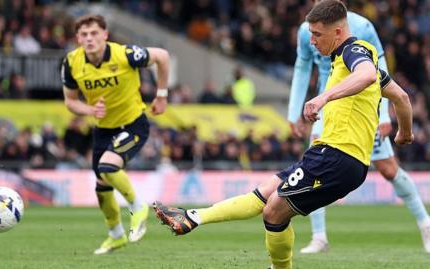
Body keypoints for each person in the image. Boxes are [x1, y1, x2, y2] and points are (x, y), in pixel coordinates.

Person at [153, 1, 414, 268]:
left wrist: (323, 97)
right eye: (310, 33)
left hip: (338, 157)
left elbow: (367, 74)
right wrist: (404, 133)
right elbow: (402, 97)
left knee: (274, 211)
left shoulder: (354, 51)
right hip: (329, 155)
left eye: (317, 34)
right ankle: (194, 217)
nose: (311, 41)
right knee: (265, 192)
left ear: (337, 32)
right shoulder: (345, 61)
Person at [288, 0, 430, 254]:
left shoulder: (362, 26)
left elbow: (379, 67)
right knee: (313, 168)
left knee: (388, 169)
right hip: (327, 108)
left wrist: (385, 116)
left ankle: (426, 224)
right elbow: (302, 66)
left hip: (363, 108)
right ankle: (319, 237)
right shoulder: (306, 30)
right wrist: (294, 111)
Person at [61, 14, 170, 254]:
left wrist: (161, 95)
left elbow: (162, 56)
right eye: (84, 34)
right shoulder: (71, 63)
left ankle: (137, 207)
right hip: (103, 129)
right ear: (78, 38)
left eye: (94, 33)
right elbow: (70, 102)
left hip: (133, 124)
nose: (89, 39)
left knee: (108, 167)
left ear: (105, 35)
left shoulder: (125, 55)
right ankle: (116, 235)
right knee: (101, 185)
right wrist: (89, 110)